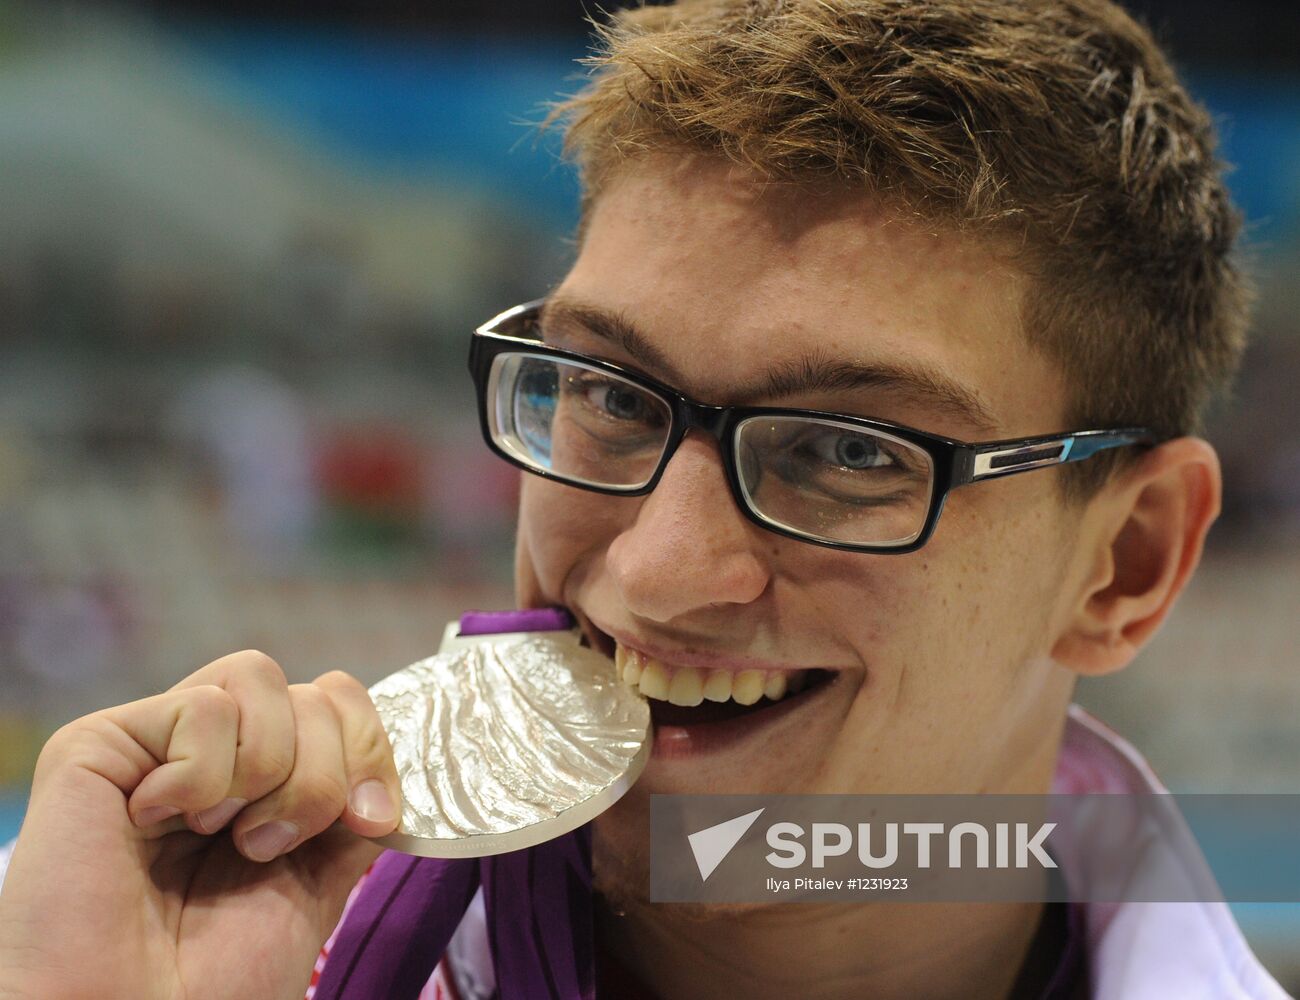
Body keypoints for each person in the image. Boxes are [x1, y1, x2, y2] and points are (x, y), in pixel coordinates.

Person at [0, 0, 1289, 997]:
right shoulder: (141, 941)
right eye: (614, 393)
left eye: (848, 450)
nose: (661, 573)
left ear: (1127, 563)